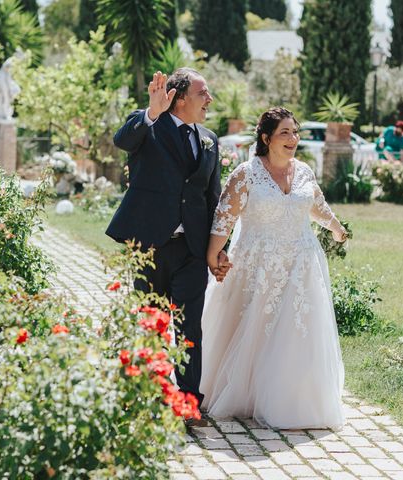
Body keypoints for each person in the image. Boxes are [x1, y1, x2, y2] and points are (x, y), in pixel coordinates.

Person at [200, 107, 347, 430]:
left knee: (296, 331)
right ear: (266, 138)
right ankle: (247, 393)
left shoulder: (305, 172)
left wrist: (337, 228)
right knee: (253, 328)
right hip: (256, 266)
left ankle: (294, 397)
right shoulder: (246, 173)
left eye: (295, 132)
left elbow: (317, 207)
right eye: (285, 132)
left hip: (300, 265)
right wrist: (214, 255)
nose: (293, 139)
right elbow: (224, 217)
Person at [106, 69, 230, 421]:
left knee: (190, 327)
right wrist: (151, 111)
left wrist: (219, 246)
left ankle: (189, 402)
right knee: (153, 322)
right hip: (150, 245)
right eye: (203, 93)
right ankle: (153, 394)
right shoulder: (149, 125)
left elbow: (213, 196)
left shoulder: (209, 138)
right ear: (180, 97)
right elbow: (122, 140)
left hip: (191, 248)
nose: (210, 100)